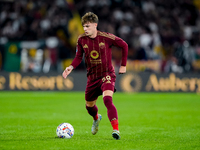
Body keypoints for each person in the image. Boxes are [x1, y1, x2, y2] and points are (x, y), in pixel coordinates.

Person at [62, 12, 128, 140]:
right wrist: (71, 67)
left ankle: (116, 130)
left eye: (87, 26)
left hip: (107, 74)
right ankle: (96, 118)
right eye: (84, 26)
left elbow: (124, 45)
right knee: (89, 106)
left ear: (95, 25)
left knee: (107, 100)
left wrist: (123, 65)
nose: (85, 29)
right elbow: (78, 57)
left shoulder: (106, 37)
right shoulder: (81, 40)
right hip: (92, 78)